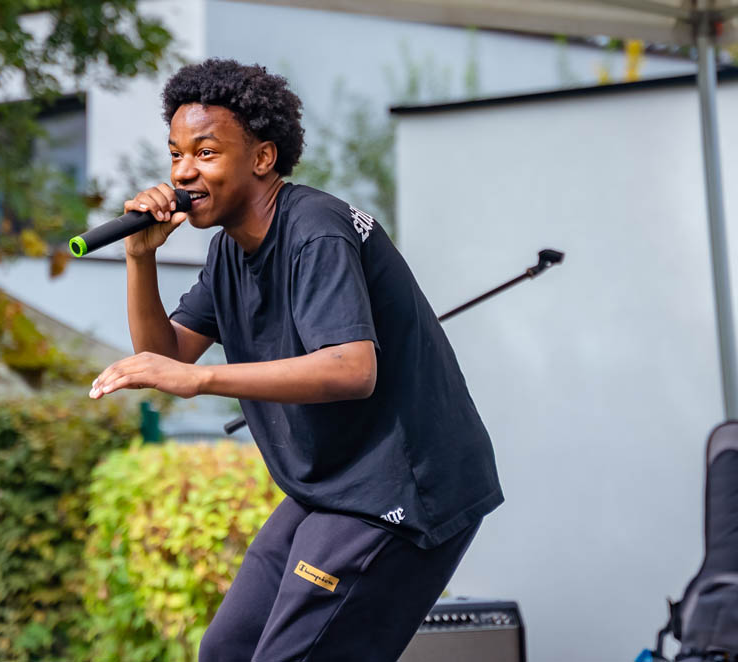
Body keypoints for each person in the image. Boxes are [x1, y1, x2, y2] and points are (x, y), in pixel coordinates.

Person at [89, 58, 503, 662]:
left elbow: (351, 369)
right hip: (330, 489)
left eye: (205, 153)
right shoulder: (229, 252)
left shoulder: (316, 230)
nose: (182, 172)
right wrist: (139, 258)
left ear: (263, 158)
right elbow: (163, 358)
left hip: (403, 486)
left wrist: (200, 379)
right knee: (226, 650)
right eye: (175, 154)